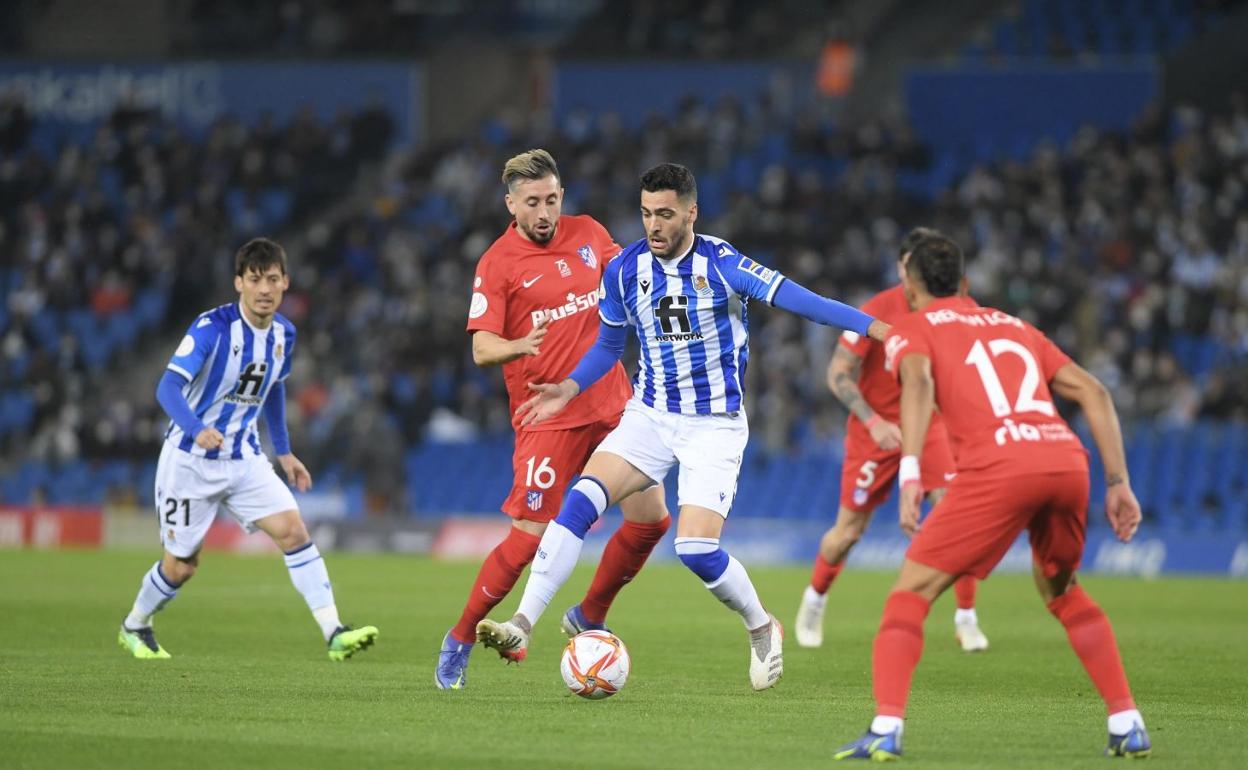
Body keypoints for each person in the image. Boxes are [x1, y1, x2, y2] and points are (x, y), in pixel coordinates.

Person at [476, 162, 889, 690]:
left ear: (692, 212)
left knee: (695, 550)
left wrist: (874, 327)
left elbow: (801, 301)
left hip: (713, 425)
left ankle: (761, 625)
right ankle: (521, 623)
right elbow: (608, 345)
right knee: (579, 502)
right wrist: (570, 387)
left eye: (666, 214)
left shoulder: (722, 263)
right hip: (650, 415)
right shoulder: (625, 269)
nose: (654, 225)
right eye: (647, 213)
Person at [834, 235, 1149, 760]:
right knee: (1063, 590)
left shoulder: (913, 329)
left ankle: (886, 727)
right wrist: (1118, 483)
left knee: (909, 594)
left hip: (999, 466)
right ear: (965, 283)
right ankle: (1127, 722)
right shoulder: (1015, 326)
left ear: (909, 286)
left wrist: (910, 472)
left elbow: (918, 385)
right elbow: (1095, 392)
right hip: (1064, 460)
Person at [437, 149, 671, 689]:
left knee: (651, 520)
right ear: (511, 205)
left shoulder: (589, 233)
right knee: (527, 539)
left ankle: (590, 613)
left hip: (613, 406)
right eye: (531, 203)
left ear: (561, 195)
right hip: (547, 417)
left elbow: (631, 278)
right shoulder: (497, 263)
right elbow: (481, 349)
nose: (543, 213)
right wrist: (518, 344)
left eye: (550, 200)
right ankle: (460, 638)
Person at [117, 238, 378, 661]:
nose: (264, 289)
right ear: (239, 283)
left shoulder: (284, 333)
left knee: (294, 531)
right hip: (189, 462)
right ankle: (135, 624)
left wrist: (284, 452)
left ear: (286, 282)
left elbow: (273, 388)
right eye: (255, 279)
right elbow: (167, 387)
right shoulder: (212, 328)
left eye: (272, 279)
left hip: (244, 458)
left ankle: (334, 632)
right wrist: (197, 428)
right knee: (181, 566)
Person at [797, 227, 987, 652]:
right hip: (876, 431)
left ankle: (966, 617)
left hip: (931, 426)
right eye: (910, 264)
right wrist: (872, 422)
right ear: (902, 266)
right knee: (848, 532)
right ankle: (815, 598)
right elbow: (837, 373)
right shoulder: (876, 311)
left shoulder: (956, 309)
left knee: (955, 511)